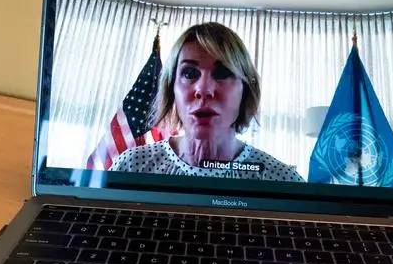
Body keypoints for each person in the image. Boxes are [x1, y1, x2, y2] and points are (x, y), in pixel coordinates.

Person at [110, 22, 304, 182]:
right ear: (172, 89)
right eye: (189, 73)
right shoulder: (130, 167)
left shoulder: (284, 181)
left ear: (245, 90)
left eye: (222, 72)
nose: (203, 90)